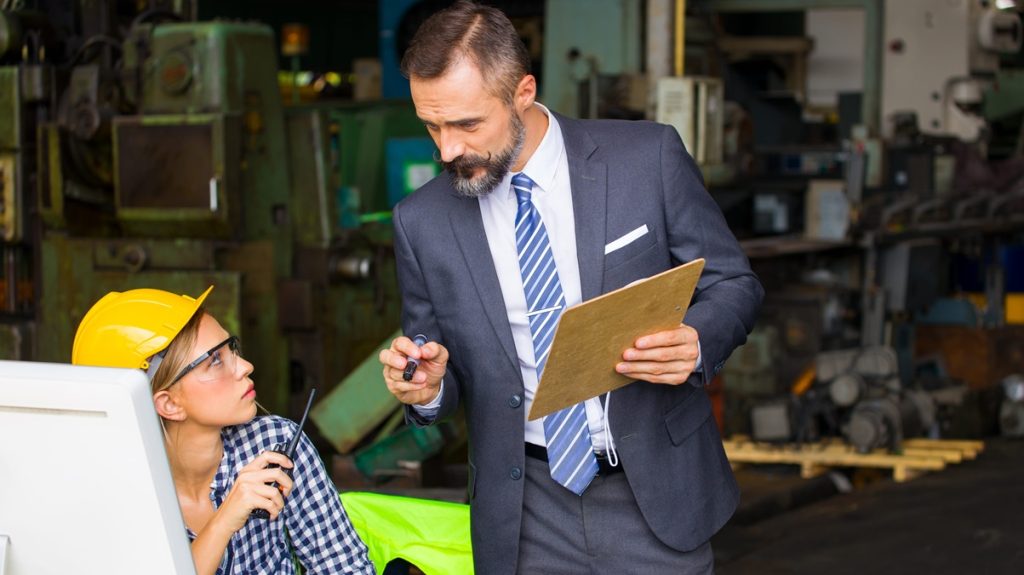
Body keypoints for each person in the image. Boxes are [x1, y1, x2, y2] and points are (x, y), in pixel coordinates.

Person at [377, 2, 764, 573]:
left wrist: (698, 341)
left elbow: (733, 282)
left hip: (653, 493)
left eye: (467, 124)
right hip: (525, 511)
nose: (447, 150)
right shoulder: (421, 221)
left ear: (523, 92)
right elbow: (439, 365)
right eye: (432, 126)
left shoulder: (646, 159)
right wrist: (427, 388)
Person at [72, 286, 375, 575]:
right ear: (169, 404)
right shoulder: (119, 495)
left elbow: (345, 567)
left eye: (231, 349)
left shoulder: (275, 445)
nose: (245, 366)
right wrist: (224, 521)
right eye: (215, 360)